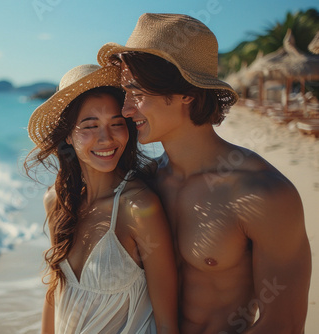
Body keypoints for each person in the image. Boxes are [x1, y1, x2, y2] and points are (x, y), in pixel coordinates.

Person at [97, 13, 312, 334]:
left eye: (137, 93)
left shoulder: (262, 194)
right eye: (125, 94)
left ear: (187, 92)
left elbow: (283, 324)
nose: (126, 110)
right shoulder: (145, 183)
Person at [25, 64, 179, 334]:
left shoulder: (139, 207)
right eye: (90, 126)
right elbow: (56, 289)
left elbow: (167, 321)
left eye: (116, 124)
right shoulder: (57, 201)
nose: (106, 138)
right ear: (68, 136)